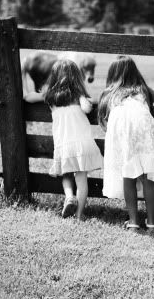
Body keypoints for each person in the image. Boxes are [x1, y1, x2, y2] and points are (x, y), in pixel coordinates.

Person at [98, 56, 154, 232]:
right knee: (148, 175)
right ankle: (152, 222)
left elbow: (103, 120)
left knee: (128, 174)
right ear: (135, 72)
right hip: (142, 129)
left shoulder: (110, 92)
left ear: (112, 74)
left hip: (121, 129)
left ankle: (133, 222)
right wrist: (146, 86)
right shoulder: (141, 89)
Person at [44, 59, 103, 220]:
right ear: (77, 77)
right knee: (82, 178)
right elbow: (87, 108)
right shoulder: (78, 95)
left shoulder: (50, 98)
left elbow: (29, 97)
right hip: (82, 144)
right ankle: (79, 215)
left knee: (66, 175)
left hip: (64, 145)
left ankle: (69, 196)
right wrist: (89, 100)